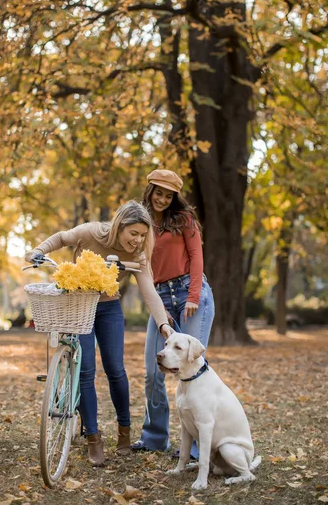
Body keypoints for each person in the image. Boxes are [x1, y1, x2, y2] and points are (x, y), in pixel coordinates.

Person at [25, 201, 173, 467]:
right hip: (78, 305)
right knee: (86, 371)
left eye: (143, 235)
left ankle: (124, 432)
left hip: (109, 308)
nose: (138, 240)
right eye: (133, 234)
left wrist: (163, 324)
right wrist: (38, 250)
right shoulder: (91, 232)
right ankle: (93, 437)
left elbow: (149, 291)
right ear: (119, 227)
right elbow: (62, 238)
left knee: (116, 368)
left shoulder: (139, 255)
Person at [131, 169, 215, 457]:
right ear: (150, 190)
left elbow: (196, 258)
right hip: (160, 297)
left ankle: (196, 448)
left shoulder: (184, 220)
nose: (162, 199)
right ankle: (155, 438)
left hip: (191, 295)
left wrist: (193, 296)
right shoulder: (140, 223)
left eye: (169, 195)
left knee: (192, 366)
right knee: (154, 370)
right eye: (159, 193)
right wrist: (157, 305)